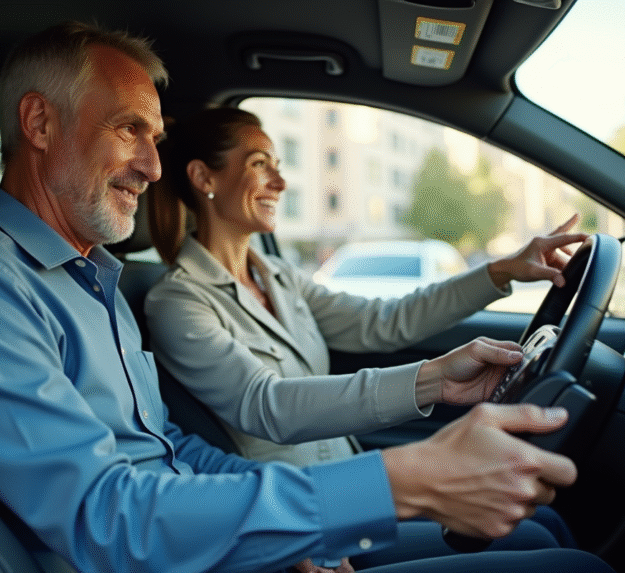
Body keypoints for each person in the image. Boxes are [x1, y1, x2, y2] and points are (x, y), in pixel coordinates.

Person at [0, 21, 612, 573]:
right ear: (39, 124)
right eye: (128, 128)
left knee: (546, 537)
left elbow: (170, 451)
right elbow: (100, 517)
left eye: (158, 136)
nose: (151, 163)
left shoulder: (92, 279)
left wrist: (295, 528)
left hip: (202, 541)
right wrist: (390, 484)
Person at [144, 107, 586, 570]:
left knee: (545, 526)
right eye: (259, 164)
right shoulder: (178, 302)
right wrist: (431, 379)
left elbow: (385, 319)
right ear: (203, 177)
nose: (280, 181)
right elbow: (266, 404)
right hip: (305, 520)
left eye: (277, 163)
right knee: (563, 556)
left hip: (351, 488)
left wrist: (501, 269)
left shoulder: (278, 276)